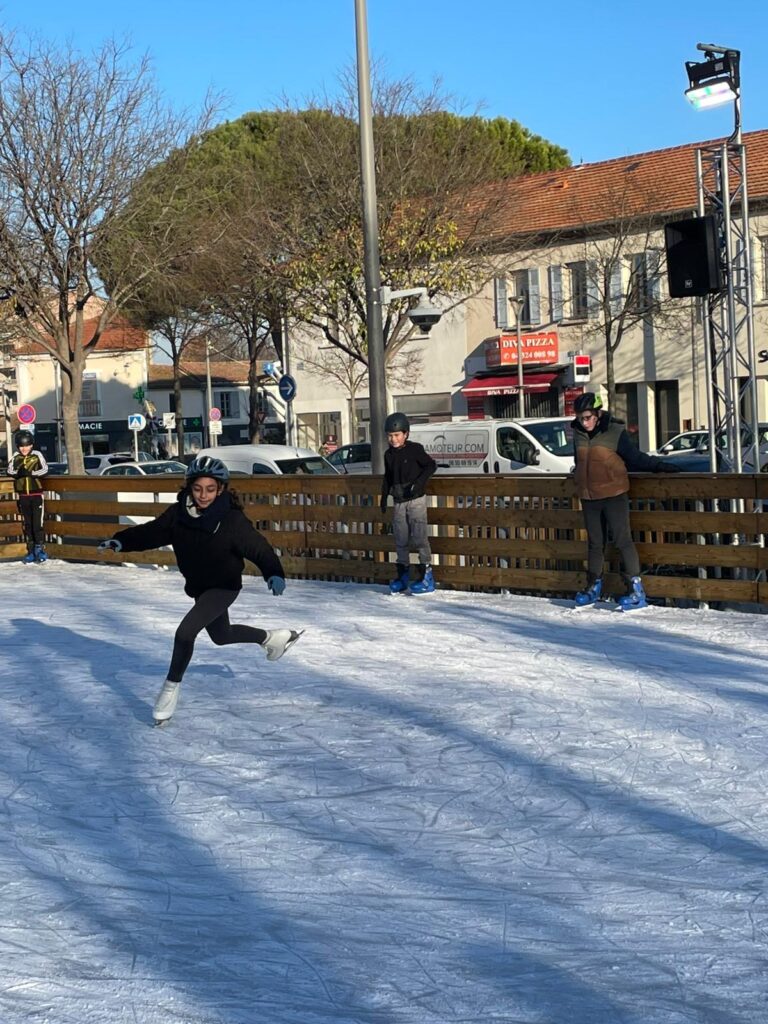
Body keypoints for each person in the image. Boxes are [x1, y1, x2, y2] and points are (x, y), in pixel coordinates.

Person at [97, 454, 302, 724]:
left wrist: (273, 572)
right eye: (197, 488)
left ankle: (169, 690)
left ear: (221, 489)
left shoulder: (231, 520)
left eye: (210, 489)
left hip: (224, 586)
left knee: (185, 633)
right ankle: (273, 638)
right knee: (221, 635)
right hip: (199, 587)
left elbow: (258, 547)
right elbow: (152, 532)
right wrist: (121, 541)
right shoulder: (178, 515)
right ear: (189, 488)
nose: (203, 495)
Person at [572, 393, 680, 610]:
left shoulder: (615, 432)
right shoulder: (578, 435)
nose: (584, 422)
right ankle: (593, 586)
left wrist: (660, 466)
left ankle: (635, 589)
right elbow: (580, 461)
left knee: (623, 540)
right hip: (589, 496)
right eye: (581, 418)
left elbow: (635, 458)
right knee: (595, 543)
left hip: (614, 494)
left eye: (588, 417)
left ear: (598, 414)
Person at [380, 412, 437, 595]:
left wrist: (418, 483)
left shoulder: (415, 450)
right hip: (398, 501)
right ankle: (402, 577)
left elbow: (430, 465)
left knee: (420, 538)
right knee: (401, 539)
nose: (393, 439)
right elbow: (388, 477)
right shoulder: (388, 455)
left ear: (406, 434)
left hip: (415, 500)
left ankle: (427, 576)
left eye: (397, 435)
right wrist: (383, 496)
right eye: (390, 435)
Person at [7, 429, 49, 563]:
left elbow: (45, 469)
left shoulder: (37, 455)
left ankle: (40, 549)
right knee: (28, 524)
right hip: (23, 495)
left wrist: (32, 473)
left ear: (31, 445)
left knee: (37, 523)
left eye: (27, 445)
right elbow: (9, 470)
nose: (24, 449)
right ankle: (30, 550)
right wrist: (19, 473)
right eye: (21, 446)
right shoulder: (16, 456)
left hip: (36, 494)